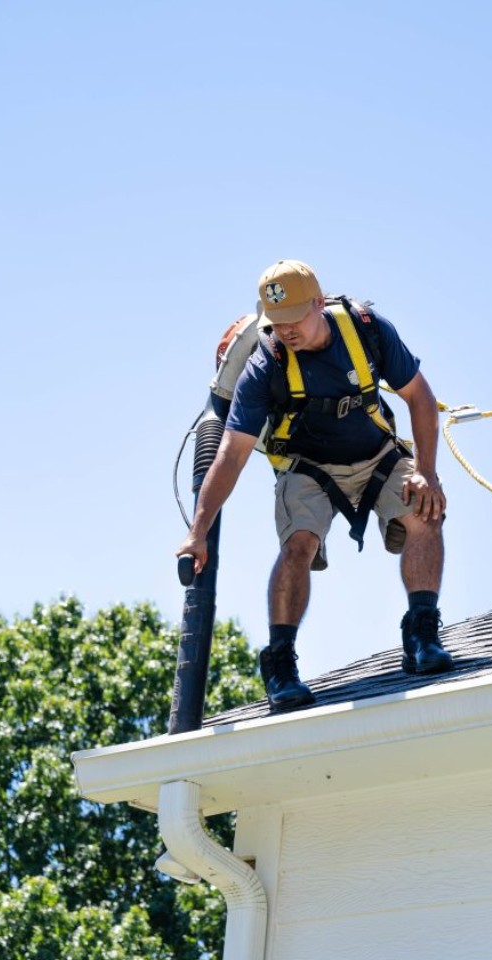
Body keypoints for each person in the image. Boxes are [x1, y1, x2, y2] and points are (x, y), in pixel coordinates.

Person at [176, 259, 453, 713]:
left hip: (377, 455)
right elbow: (231, 453)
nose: (285, 330)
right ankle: (281, 664)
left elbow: (419, 397)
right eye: (276, 321)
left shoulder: (366, 330)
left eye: (293, 318)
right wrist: (198, 531)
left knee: (425, 511)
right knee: (298, 543)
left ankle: (422, 633)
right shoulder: (265, 364)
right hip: (308, 467)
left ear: (318, 303)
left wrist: (427, 471)